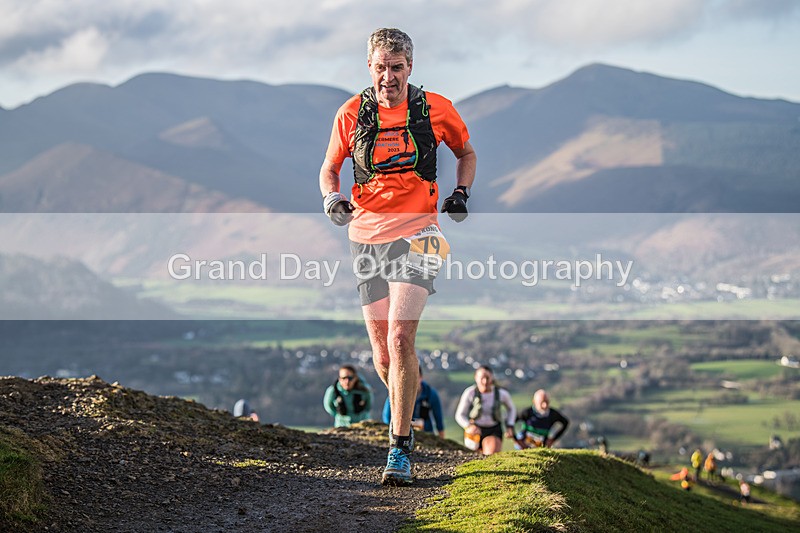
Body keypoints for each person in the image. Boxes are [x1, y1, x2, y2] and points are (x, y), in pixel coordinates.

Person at [319, 28, 476, 485]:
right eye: (381, 67)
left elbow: (465, 150)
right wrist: (332, 199)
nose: (389, 77)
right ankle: (410, 403)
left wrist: (461, 192)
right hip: (366, 236)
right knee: (383, 359)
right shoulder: (351, 113)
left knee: (400, 339)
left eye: (398, 67)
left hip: (423, 232)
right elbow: (330, 166)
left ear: (411, 66)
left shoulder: (435, 109)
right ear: (369, 67)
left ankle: (400, 447)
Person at [455, 365, 516, 455]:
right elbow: (459, 415)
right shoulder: (470, 393)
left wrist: (510, 425)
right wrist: (468, 426)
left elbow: (511, 409)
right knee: (472, 456)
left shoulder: (501, 393)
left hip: (494, 429)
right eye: (482, 378)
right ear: (476, 378)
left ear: (492, 378)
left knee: (491, 454)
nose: (485, 382)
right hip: (475, 429)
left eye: (487, 378)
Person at [382, 365, 445, 438]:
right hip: (402, 435)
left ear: (421, 378)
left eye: (415, 377)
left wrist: (442, 440)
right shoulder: (397, 394)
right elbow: (387, 418)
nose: (412, 381)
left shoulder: (431, 394)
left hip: (426, 435)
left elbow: (439, 420)